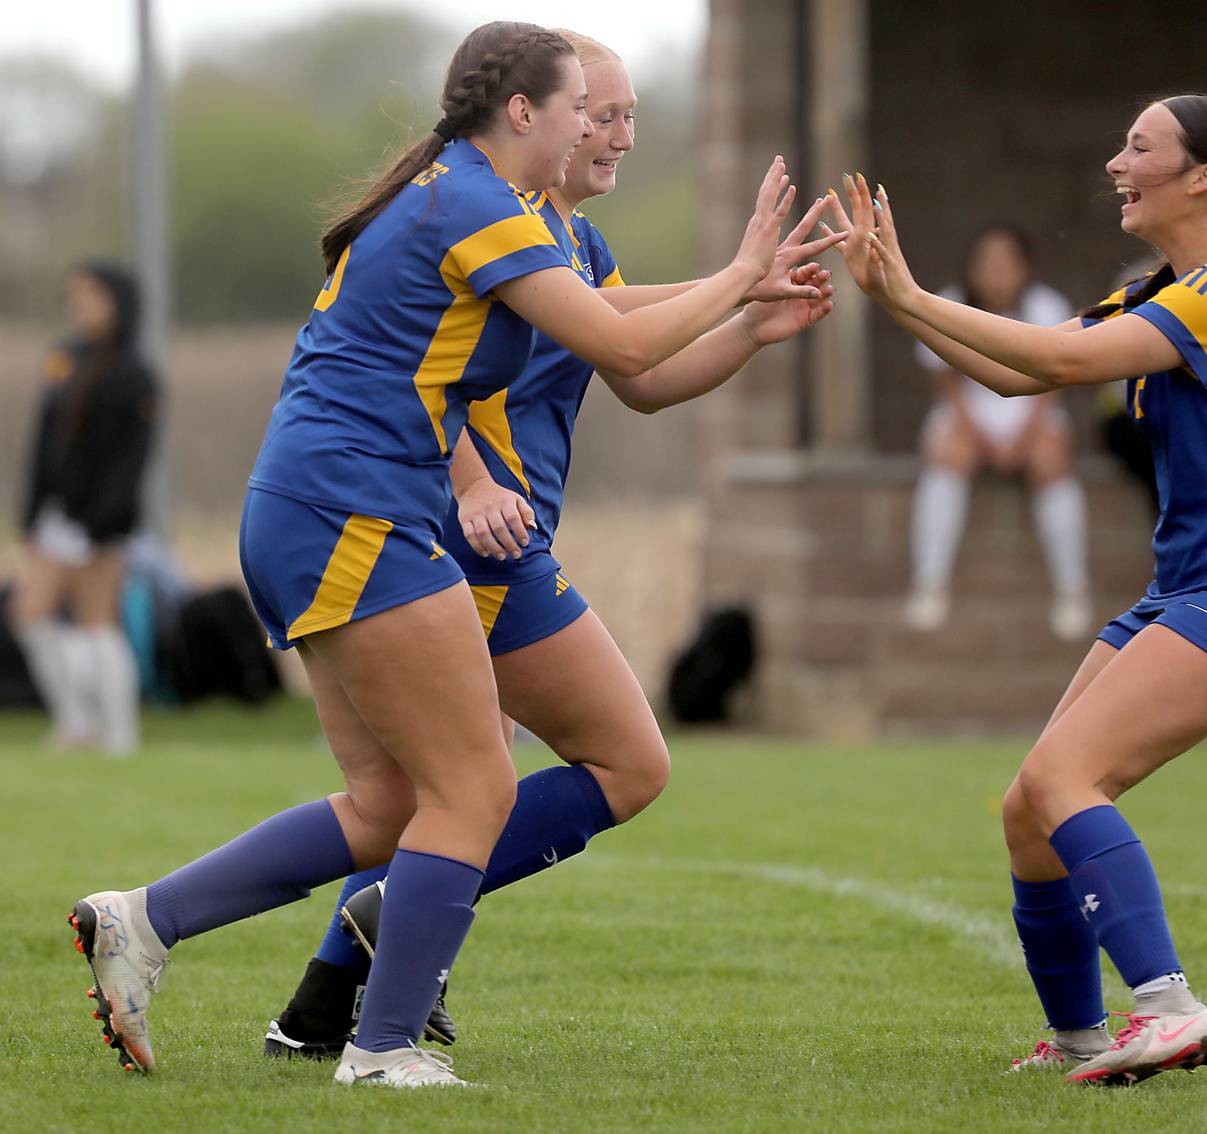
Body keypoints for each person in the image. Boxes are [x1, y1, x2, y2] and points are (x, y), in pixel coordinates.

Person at [68, 20, 822, 1089]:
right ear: (524, 112)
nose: (598, 129)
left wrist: (745, 304)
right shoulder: (472, 199)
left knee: (392, 806)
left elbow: (610, 328)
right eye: (582, 109)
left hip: (317, 508)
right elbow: (619, 344)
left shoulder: (476, 198)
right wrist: (743, 270)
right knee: (474, 788)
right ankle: (379, 1050)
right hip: (354, 511)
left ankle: (144, 922)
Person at [827, 94, 1207, 1085]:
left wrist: (913, 292)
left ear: (1205, 177)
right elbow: (1019, 378)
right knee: (1031, 805)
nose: (1115, 163)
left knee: (1066, 779)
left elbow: (1057, 358)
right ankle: (1081, 1038)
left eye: (1138, 148)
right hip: (1192, 583)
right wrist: (893, 297)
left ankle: (1170, 1007)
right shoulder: (1164, 287)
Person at [904, 225, 1091, 640]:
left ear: (1024, 269)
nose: (995, 273)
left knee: (1050, 461)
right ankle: (929, 584)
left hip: (1032, 416)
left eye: (1006, 264)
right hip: (968, 416)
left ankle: (1072, 590)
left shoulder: (1047, 307)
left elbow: (1054, 382)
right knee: (948, 455)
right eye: (986, 263)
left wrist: (1023, 439)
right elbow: (946, 382)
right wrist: (979, 434)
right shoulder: (949, 304)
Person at [11, 262, 157, 756]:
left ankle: (120, 737)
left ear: (119, 302)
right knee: (30, 613)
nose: (81, 304)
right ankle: (75, 721)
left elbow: (132, 460)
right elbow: (44, 437)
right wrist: (31, 510)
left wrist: (102, 524)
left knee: (99, 622)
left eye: (93, 294)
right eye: (76, 294)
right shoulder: (64, 357)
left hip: (101, 522)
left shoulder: (135, 375)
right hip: (56, 516)